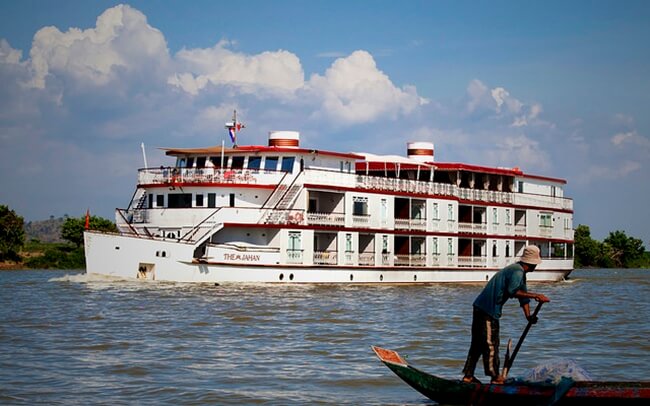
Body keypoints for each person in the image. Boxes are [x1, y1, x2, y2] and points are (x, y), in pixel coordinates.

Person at [461, 245, 550, 384]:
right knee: (490, 344)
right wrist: (536, 295)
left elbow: (523, 297)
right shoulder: (517, 272)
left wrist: (528, 316)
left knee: (478, 344)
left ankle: (468, 376)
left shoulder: (519, 272)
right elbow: (512, 292)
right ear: (532, 263)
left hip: (481, 308)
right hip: (487, 310)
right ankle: (495, 377)